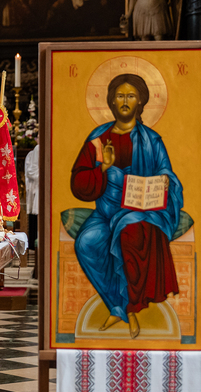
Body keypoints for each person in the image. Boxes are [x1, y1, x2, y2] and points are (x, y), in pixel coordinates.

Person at [70, 73, 183, 338]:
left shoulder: (151, 140)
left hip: (141, 210)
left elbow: (166, 172)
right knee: (85, 243)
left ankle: (131, 306)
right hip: (105, 212)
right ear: (111, 101)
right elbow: (79, 183)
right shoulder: (98, 138)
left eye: (131, 96)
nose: (124, 101)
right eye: (120, 95)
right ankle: (118, 306)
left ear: (140, 102)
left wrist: (165, 180)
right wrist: (103, 168)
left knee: (129, 234)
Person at [25, 141, 39, 249]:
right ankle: (33, 244)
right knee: (35, 217)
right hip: (37, 187)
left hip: (39, 186)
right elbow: (31, 171)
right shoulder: (34, 152)